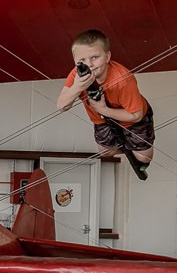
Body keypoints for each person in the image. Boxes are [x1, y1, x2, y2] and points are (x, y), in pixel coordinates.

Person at [55, 29, 154, 180]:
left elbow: (136, 115)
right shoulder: (76, 75)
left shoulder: (123, 79)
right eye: (82, 61)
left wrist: (103, 109)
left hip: (131, 118)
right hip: (101, 120)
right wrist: (77, 88)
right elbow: (62, 105)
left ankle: (134, 148)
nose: (89, 64)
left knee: (143, 158)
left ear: (107, 56)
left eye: (95, 57)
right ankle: (127, 145)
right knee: (105, 152)